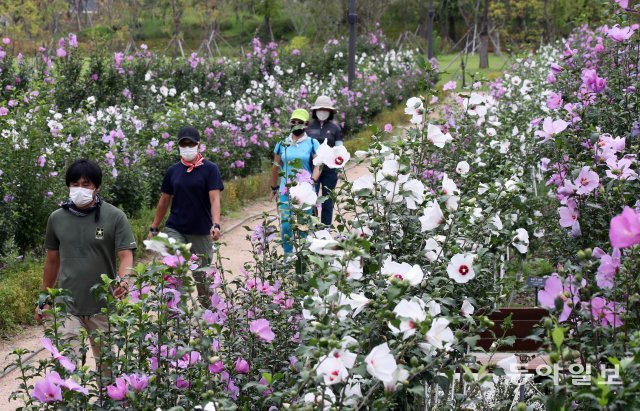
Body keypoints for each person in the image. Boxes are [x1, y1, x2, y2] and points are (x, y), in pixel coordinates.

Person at [36, 158, 137, 366]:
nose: (79, 189)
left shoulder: (114, 217)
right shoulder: (57, 218)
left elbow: (125, 255)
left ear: (97, 187)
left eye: (86, 184)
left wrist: (124, 281)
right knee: (67, 367)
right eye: (75, 184)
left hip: (103, 306)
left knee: (108, 369)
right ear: (68, 186)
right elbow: (52, 261)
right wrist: (43, 297)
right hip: (67, 306)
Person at [149, 126, 224, 303]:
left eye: (191, 144)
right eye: (184, 144)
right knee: (174, 270)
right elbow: (164, 201)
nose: (187, 147)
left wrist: (216, 224)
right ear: (179, 146)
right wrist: (154, 227)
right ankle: (176, 312)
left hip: (200, 231)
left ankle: (210, 311)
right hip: (175, 228)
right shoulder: (173, 171)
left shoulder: (210, 169)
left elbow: (215, 199)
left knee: (203, 279)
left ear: (199, 145)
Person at [270, 108, 321, 254]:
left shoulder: (312, 143)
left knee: (303, 225)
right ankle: (288, 257)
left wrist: (312, 181)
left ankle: (303, 257)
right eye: (294, 121)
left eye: (300, 122)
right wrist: (274, 187)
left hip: (305, 190)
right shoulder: (282, 144)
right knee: (286, 225)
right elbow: (276, 166)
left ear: (306, 125)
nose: (296, 124)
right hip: (286, 190)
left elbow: (318, 165)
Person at [306, 95, 344, 226]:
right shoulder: (308, 127)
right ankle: (313, 227)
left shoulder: (335, 128)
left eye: (325, 109)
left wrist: (340, 169)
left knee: (328, 201)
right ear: (315, 111)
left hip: (330, 170)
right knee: (311, 199)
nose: (322, 112)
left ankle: (325, 228)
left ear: (330, 111)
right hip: (313, 169)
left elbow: (340, 149)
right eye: (320, 109)